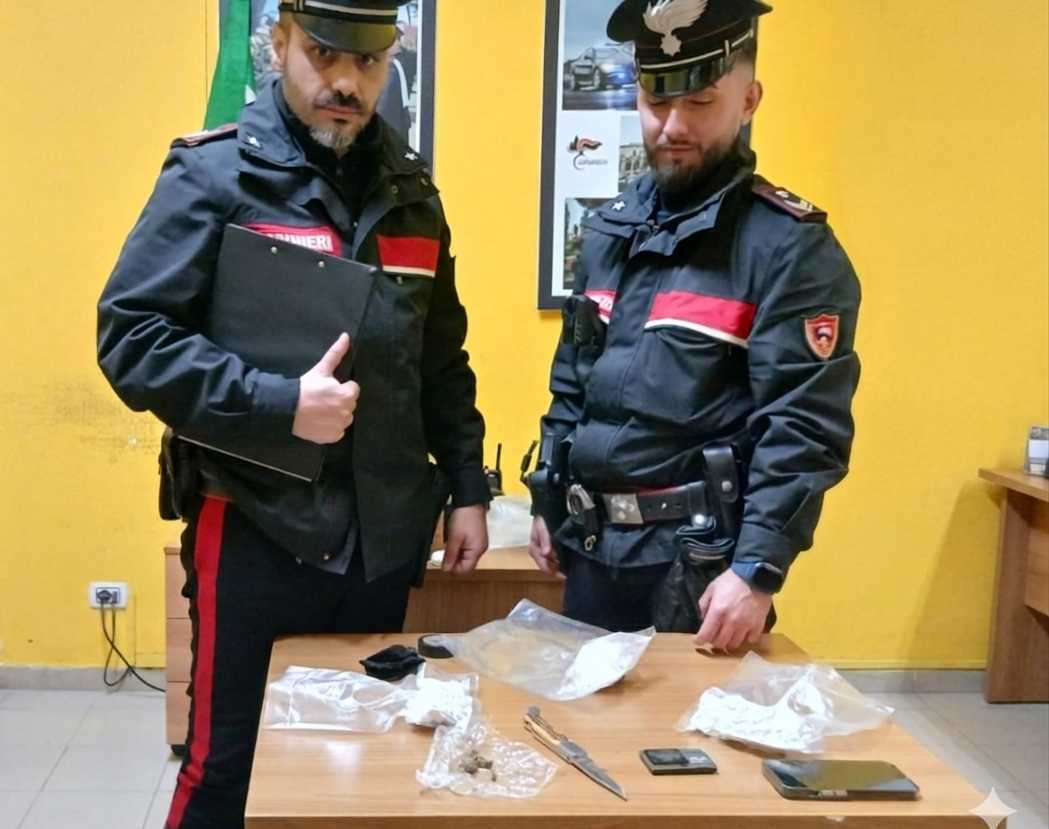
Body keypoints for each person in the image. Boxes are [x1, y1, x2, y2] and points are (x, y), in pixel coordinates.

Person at [96, 2, 489, 826]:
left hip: (379, 539)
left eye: (368, 61)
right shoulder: (213, 175)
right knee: (225, 767)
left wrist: (465, 486)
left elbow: (439, 361)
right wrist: (280, 405)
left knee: (355, 763)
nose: (345, 80)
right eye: (323, 53)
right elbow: (131, 338)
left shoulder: (412, 192)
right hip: (254, 526)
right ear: (278, 44)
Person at [527, 0, 861, 652]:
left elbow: (802, 427)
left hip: (699, 568)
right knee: (584, 713)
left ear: (749, 100)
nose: (673, 125)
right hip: (590, 549)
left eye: (701, 101)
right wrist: (549, 495)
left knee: (682, 723)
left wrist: (757, 569)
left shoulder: (787, 248)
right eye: (656, 99)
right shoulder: (608, 231)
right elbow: (572, 384)